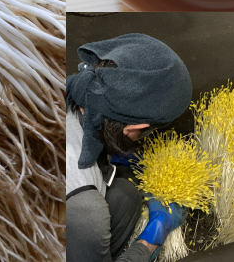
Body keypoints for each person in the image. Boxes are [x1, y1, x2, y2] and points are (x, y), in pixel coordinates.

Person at [66, 34, 193, 262]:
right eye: (148, 132)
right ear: (134, 128)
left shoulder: (78, 87)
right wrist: (152, 237)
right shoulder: (86, 209)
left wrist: (111, 149)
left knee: (125, 196)